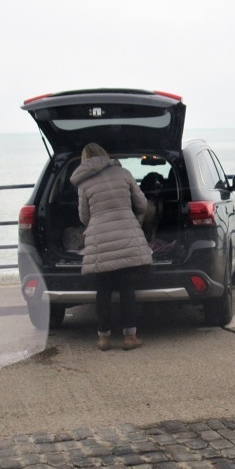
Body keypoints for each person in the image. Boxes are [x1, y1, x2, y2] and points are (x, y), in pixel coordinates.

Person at [70, 143, 153, 351]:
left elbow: (84, 217)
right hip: (126, 237)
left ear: (85, 159)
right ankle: (130, 337)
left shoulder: (84, 183)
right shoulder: (123, 174)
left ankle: (103, 338)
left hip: (100, 241)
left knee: (103, 291)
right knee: (127, 289)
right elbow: (142, 205)